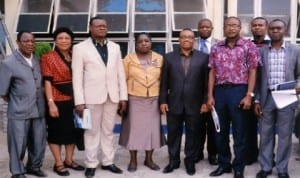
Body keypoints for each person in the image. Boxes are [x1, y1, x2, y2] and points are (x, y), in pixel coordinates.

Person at [72, 16, 127, 178]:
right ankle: (91, 163)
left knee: (108, 131)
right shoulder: (80, 48)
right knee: (91, 132)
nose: (102, 28)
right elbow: (77, 77)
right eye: (98, 26)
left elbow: (120, 74)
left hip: (112, 97)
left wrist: (123, 97)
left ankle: (108, 162)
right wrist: (79, 102)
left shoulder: (115, 47)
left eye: (104, 26)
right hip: (90, 99)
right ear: (90, 28)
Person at [206, 16, 260, 178]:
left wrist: (249, 95)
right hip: (220, 92)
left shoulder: (248, 46)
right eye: (229, 25)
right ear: (224, 27)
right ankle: (224, 164)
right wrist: (210, 95)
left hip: (240, 91)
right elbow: (212, 72)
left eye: (235, 25)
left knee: (239, 133)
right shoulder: (216, 48)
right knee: (219, 131)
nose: (232, 28)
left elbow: (253, 71)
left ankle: (238, 166)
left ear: (240, 28)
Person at [159, 28, 209, 175]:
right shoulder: (168, 57)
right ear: (179, 40)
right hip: (174, 103)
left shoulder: (203, 58)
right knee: (174, 134)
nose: (186, 39)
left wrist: (205, 101)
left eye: (190, 37)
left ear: (194, 40)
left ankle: (190, 161)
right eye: (183, 37)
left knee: (193, 134)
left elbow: (207, 83)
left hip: (195, 103)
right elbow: (164, 82)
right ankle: (173, 161)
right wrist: (163, 100)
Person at [254, 19, 300, 178]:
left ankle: (282, 169)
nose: (275, 31)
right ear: (268, 30)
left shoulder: (295, 50)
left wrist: (298, 85)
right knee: (265, 134)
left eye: (278, 28)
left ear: (285, 30)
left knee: (285, 135)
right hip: (267, 97)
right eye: (272, 28)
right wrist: (257, 100)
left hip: (287, 96)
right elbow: (257, 79)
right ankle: (266, 167)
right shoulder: (261, 52)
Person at [0, 31, 47, 178]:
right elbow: (3, 91)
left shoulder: (37, 60)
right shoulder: (8, 63)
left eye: (32, 41)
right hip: (19, 110)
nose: (30, 44)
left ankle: (33, 166)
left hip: (39, 110)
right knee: (18, 143)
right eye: (26, 41)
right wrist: (18, 101)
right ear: (18, 42)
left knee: (38, 142)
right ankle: (17, 171)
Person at [40, 27, 85, 176]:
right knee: (56, 133)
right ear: (55, 40)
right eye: (60, 38)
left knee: (75, 131)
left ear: (72, 40)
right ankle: (58, 163)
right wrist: (50, 102)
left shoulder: (77, 55)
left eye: (67, 38)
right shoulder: (48, 57)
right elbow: (47, 82)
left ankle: (69, 160)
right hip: (58, 100)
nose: (64, 41)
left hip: (78, 99)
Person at [119, 32, 166, 172]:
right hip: (134, 98)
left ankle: (149, 159)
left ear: (151, 43)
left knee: (152, 130)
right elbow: (122, 80)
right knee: (133, 130)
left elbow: (164, 81)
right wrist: (123, 99)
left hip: (154, 98)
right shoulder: (128, 59)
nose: (144, 43)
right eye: (140, 41)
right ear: (136, 43)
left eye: (147, 41)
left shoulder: (160, 59)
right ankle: (133, 160)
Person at [244, 17, 270, 165]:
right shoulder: (246, 46)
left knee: (267, 128)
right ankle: (250, 154)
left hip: (267, 91)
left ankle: (267, 156)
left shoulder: (272, 45)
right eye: (254, 25)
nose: (257, 27)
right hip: (248, 90)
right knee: (249, 126)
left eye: (261, 25)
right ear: (251, 28)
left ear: (266, 28)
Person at [193, 18, 218, 165]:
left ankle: (213, 154)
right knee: (197, 124)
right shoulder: (192, 43)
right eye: (201, 27)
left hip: (215, 89)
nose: (204, 29)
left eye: (207, 27)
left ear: (212, 28)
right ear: (198, 29)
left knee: (213, 124)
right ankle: (197, 153)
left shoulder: (219, 44)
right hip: (195, 89)